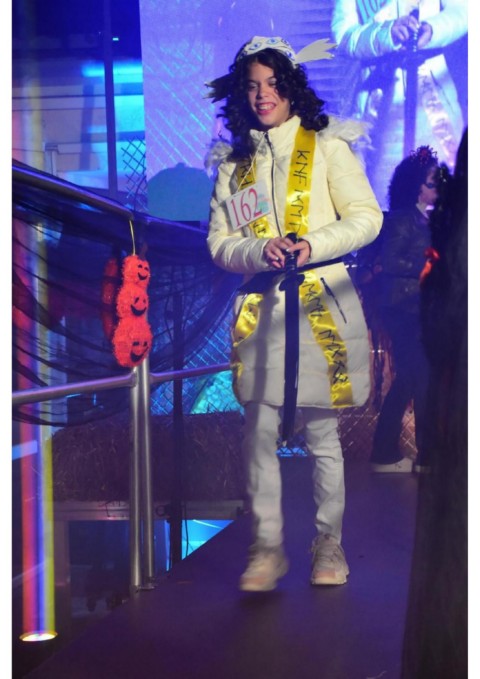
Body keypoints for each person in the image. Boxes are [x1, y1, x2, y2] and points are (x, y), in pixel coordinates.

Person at [205, 35, 383, 591]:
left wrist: (311, 245)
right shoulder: (233, 166)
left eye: (273, 84)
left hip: (321, 306)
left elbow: (367, 217)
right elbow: (219, 245)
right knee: (257, 430)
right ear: (241, 93)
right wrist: (261, 250)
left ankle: (328, 542)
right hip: (262, 312)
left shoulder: (327, 146)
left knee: (323, 433)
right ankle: (267, 548)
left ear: (291, 88)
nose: (263, 95)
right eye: (253, 86)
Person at [331, 0, 467, 209]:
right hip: (380, 106)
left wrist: (432, 29)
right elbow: (343, 36)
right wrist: (387, 34)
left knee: (444, 199)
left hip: (431, 100)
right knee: (387, 198)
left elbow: (465, 12)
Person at [369, 145, 446, 473]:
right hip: (403, 310)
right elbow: (390, 261)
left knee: (411, 380)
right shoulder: (403, 219)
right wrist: (428, 265)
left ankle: (385, 453)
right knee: (419, 378)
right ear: (417, 186)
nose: (438, 187)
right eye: (432, 182)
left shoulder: (430, 220)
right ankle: (423, 458)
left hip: (420, 310)